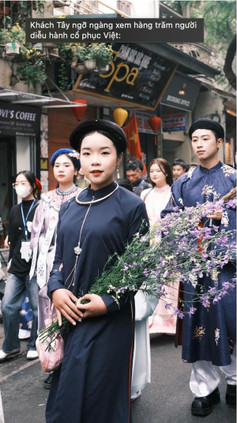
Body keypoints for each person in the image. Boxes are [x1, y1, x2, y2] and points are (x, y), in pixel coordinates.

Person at [46, 120, 148, 421]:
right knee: (66, 394)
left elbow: (139, 265)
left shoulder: (131, 206)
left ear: (118, 157)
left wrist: (109, 301)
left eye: (104, 152)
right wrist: (55, 289)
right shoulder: (69, 206)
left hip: (109, 318)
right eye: (87, 153)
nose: (95, 161)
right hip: (70, 314)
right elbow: (58, 259)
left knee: (98, 396)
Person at [162, 118, 237, 416]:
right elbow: (168, 219)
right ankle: (204, 388)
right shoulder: (183, 182)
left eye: (205, 138)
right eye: (195, 139)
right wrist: (192, 222)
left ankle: (234, 380)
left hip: (226, 268)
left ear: (219, 142)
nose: (199, 144)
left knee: (228, 321)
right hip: (194, 269)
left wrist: (223, 218)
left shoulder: (234, 179)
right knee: (198, 327)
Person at [30, 149, 82, 387]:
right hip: (47, 264)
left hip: (73, 263)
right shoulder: (46, 199)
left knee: (70, 312)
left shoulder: (82, 197)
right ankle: (54, 363)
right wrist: (40, 256)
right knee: (47, 315)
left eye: (66, 165)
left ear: (76, 170)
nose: (61, 169)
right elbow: (36, 232)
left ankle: (72, 364)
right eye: (57, 165)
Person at [1, 171, 41, 362]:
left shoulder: (41, 207)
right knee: (8, 305)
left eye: (23, 183)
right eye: (16, 183)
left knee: (37, 308)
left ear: (33, 185)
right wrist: (10, 262)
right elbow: (13, 240)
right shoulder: (15, 210)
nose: (19, 187)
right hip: (17, 265)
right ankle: (10, 346)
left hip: (35, 267)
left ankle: (34, 345)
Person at [141, 158, 178, 336]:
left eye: (158, 171)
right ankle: (153, 320)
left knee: (169, 282)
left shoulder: (174, 193)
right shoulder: (145, 194)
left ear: (166, 173)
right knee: (152, 281)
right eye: (152, 171)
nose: (154, 174)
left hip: (168, 241)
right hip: (149, 242)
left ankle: (171, 321)